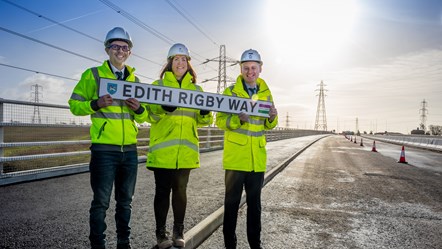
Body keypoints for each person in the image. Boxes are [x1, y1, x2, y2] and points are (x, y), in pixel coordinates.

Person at [68, 27, 147, 249]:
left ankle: (124, 242)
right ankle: (98, 244)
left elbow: (145, 115)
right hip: (104, 150)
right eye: (115, 47)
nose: (120, 51)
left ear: (129, 52)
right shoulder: (93, 75)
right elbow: (74, 105)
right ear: (107, 49)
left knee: (125, 202)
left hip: (129, 150)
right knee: (101, 202)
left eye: (125, 47)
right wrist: (96, 104)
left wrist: (139, 109)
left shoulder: (135, 80)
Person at [144, 43, 213, 248]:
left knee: (181, 191)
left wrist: (204, 113)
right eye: (176, 59)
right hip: (163, 150)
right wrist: (163, 107)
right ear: (170, 63)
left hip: (185, 151)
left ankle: (178, 231)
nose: (180, 63)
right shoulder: (159, 86)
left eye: (184, 59)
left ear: (188, 64)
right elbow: (150, 115)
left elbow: (205, 121)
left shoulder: (197, 90)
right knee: (162, 192)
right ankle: (161, 234)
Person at [216, 49, 278, 249]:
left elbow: (268, 125)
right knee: (231, 206)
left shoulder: (266, 93)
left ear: (260, 68)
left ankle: (255, 245)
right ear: (241, 69)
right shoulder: (231, 92)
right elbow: (220, 121)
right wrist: (236, 119)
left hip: (256, 160)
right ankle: (230, 245)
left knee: (255, 208)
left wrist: (272, 117)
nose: (250, 72)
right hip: (236, 160)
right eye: (246, 68)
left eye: (253, 68)